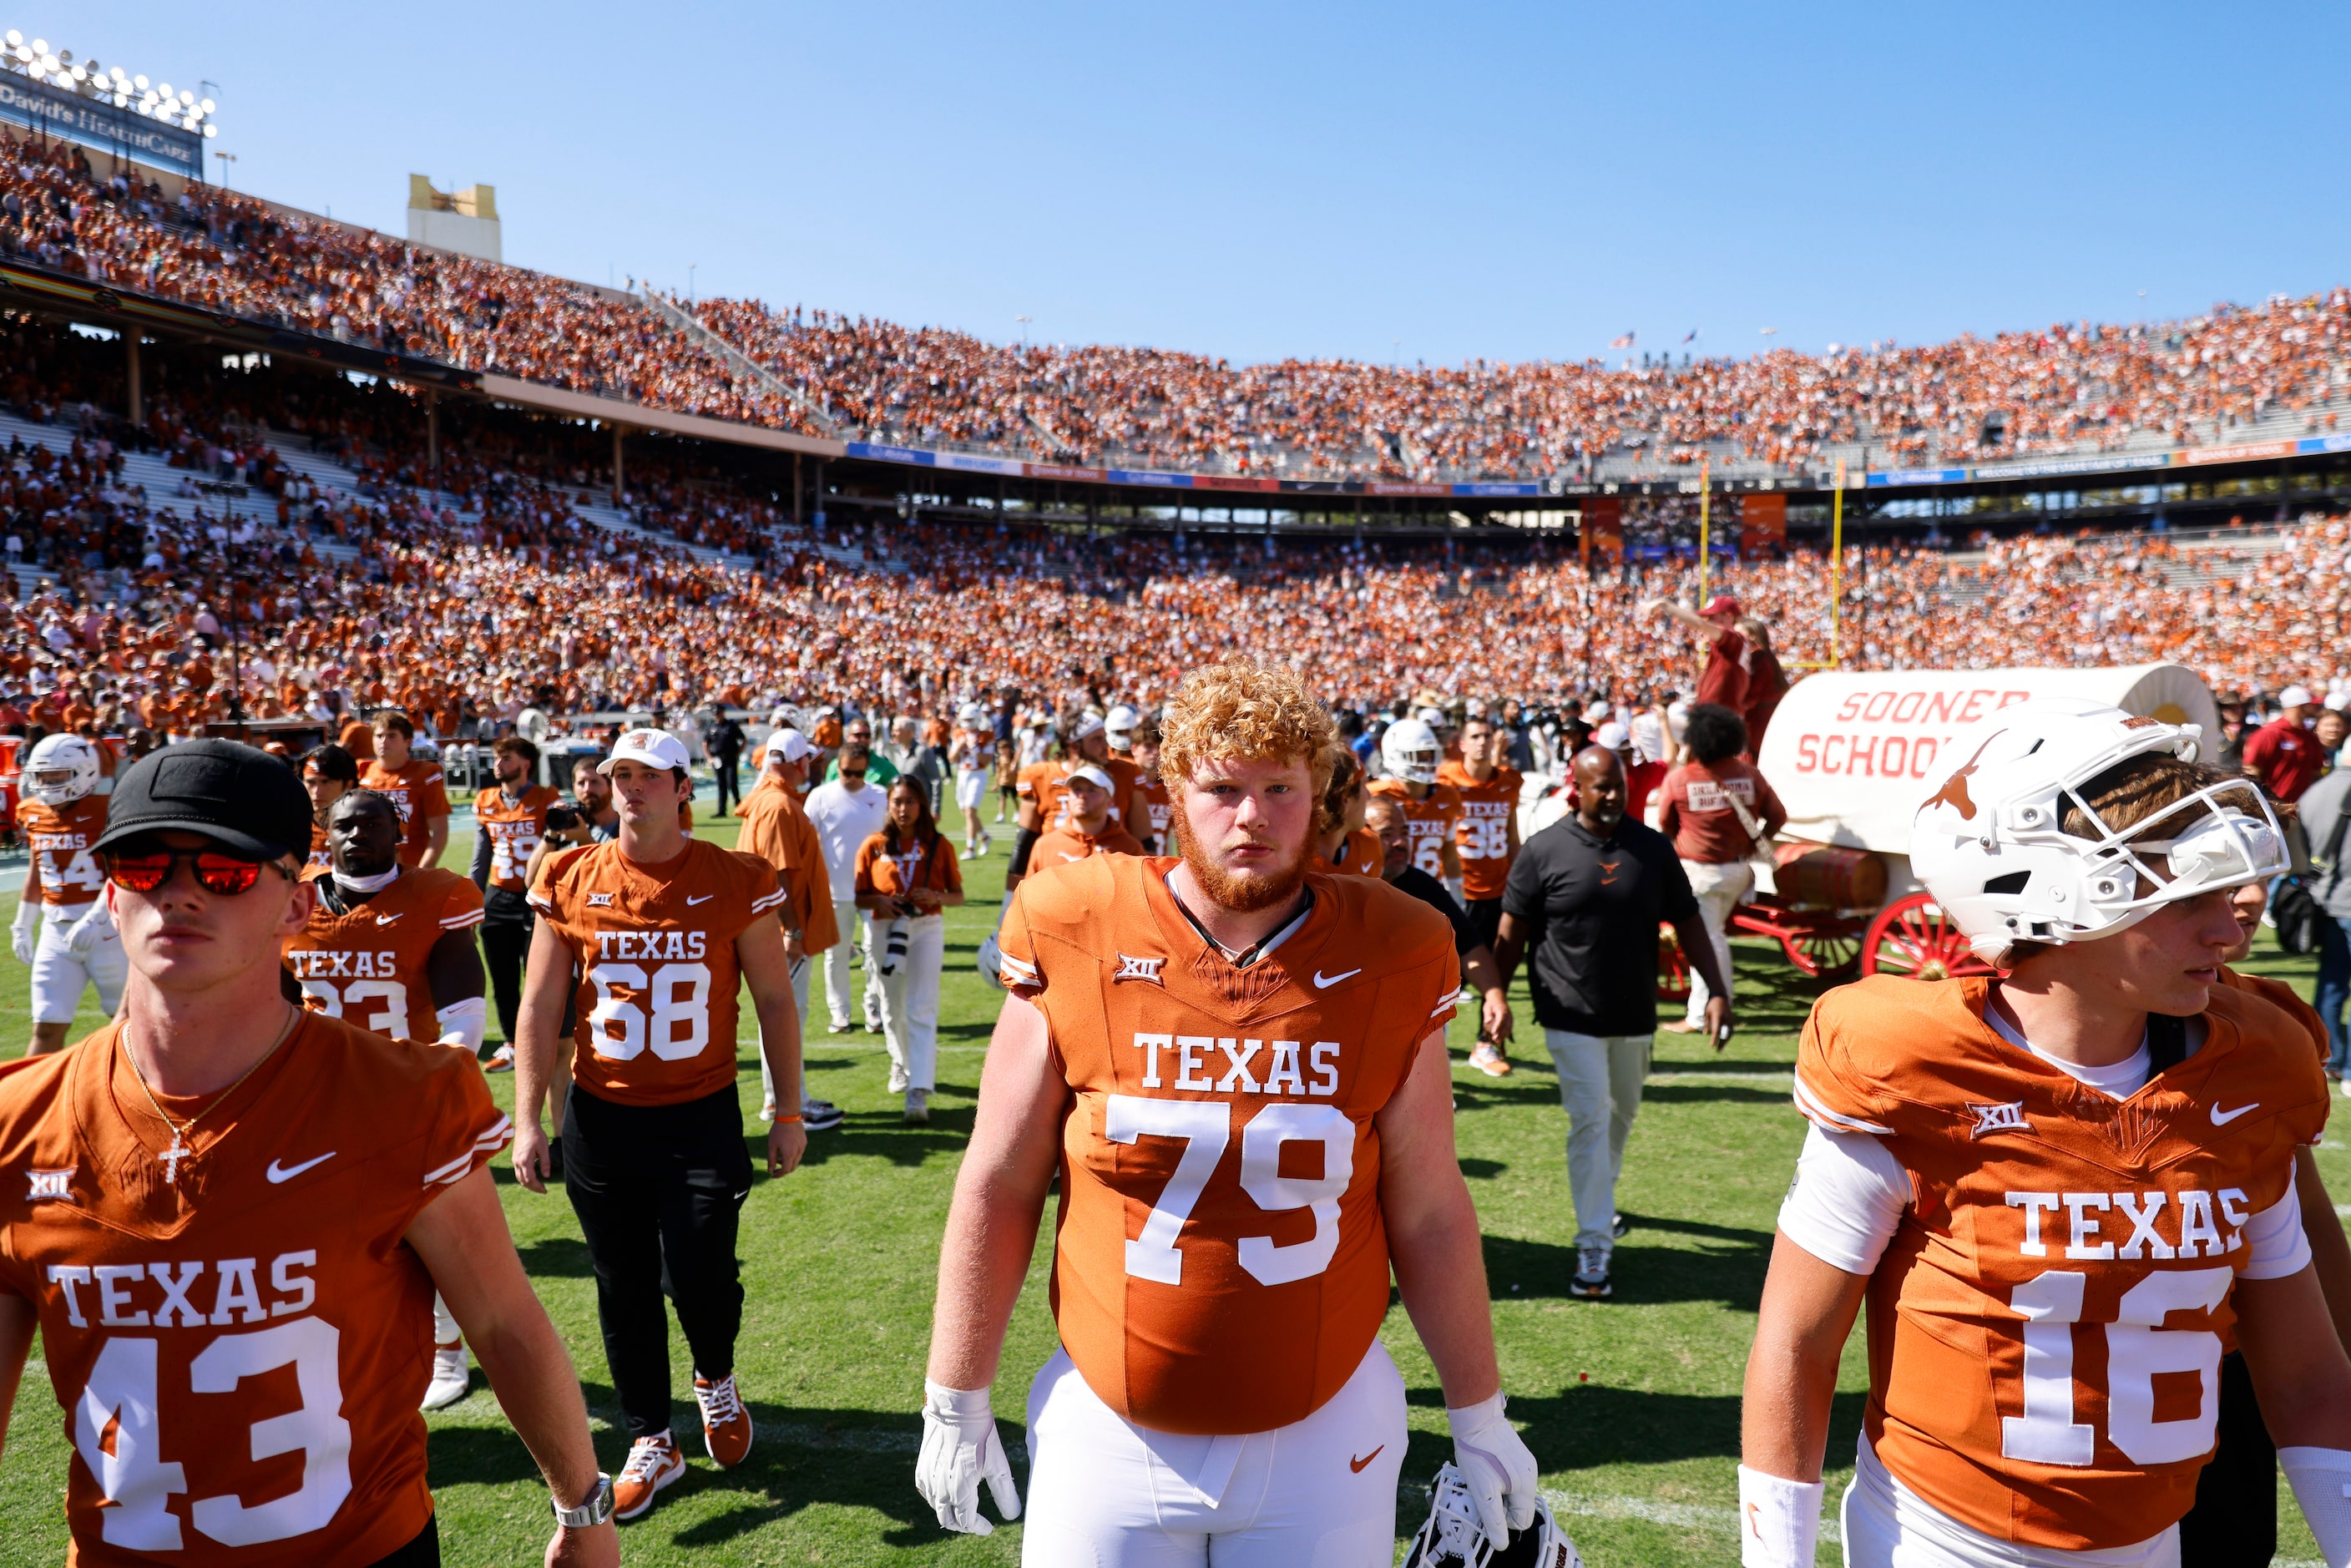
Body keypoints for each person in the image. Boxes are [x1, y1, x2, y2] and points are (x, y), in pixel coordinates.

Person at [918, 655, 1541, 1561]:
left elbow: (1428, 1201)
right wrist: (954, 1391)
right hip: (1108, 1424)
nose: (1250, 816)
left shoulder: (1398, 945)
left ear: (1320, 790)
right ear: (1172, 788)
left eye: (1279, 786)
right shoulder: (1075, 919)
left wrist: (1478, 1411)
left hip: (1328, 1431)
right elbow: (999, 1180)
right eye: (1221, 786)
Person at [1737, 698, 2351, 1568]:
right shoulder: (1913, 1068)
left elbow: (2304, 1376)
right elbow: (1795, 1346)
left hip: (2152, 1542)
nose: (2232, 920)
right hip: (1938, 1541)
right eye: (2188, 891)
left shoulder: (2250, 1070)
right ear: (2059, 889)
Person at [0, 739, 618, 1565]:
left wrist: (584, 1512)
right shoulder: (16, 1120)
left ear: (296, 905)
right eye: (145, 865)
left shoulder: (404, 1096)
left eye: (223, 870)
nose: (177, 893)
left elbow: (505, 1325)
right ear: (112, 896)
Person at [512, 726, 808, 1521]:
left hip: (701, 1113)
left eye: (648, 776)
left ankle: (714, 1376)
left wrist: (786, 1110)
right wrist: (529, 1120)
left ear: (684, 786)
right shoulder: (570, 874)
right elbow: (539, 1006)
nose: (629, 788)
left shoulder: (735, 877)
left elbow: (775, 1001)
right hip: (602, 1117)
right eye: (619, 775)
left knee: (702, 1274)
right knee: (623, 1284)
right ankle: (652, 1436)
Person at [1493, 744, 1732, 1300]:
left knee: (1620, 1115)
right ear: (1577, 786)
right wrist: (1494, 998)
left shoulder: (1651, 849)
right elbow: (1511, 932)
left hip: (1634, 1012)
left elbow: (1690, 922)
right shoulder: (1543, 850)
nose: (1612, 795)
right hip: (1566, 1010)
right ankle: (1593, 1242)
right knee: (1591, 1118)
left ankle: (1601, 1198)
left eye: (1619, 786)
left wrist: (1717, 989)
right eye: (1601, 786)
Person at [284, 788, 492, 1414]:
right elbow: (275, 1007)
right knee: (329, 1248)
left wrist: (418, 1082)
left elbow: (465, 1019)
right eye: (345, 825)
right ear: (325, 831)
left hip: (409, 1101)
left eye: (372, 824)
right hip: (320, 1104)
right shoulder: (294, 901)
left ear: (397, 832)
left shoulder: (437, 897)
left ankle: (448, 1351)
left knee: (434, 1241)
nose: (357, 836)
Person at [2175, 876, 2351, 1564]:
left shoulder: (2267, 1026)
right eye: (2216, 877)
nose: (2245, 900)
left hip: (2228, 1363)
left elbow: (2303, 1208)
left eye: (2256, 877)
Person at [736, 728, 845, 1130]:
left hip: (770, 929)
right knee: (785, 1019)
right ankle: (787, 1103)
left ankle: (785, 1099)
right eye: (808, 761)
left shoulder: (771, 800)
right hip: (779, 934)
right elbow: (776, 875)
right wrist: (793, 932)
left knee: (785, 1017)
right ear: (798, 763)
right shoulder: (779, 805)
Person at [1655, 703, 1785, 1037]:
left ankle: (1704, 1013)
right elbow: (1778, 815)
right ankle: (1712, 1004)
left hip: (1699, 874)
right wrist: (1756, 843)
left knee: (1707, 941)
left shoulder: (1680, 779)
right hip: (1739, 870)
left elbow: (1665, 824)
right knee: (1713, 937)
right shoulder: (1750, 775)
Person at [1365, 792, 1514, 1055]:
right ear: (1360, 836)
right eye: (1387, 834)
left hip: (1416, 1021)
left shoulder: (1421, 886)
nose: (1400, 843)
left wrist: (1493, 995)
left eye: (1404, 832)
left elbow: (1468, 943)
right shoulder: (1336, 885)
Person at [855, 777, 966, 1124]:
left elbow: (957, 894)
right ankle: (901, 1062)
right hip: (884, 928)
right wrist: (881, 901)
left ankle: (918, 1089)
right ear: (888, 804)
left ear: (921, 805)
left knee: (921, 1005)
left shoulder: (939, 844)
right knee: (890, 1006)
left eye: (910, 802)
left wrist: (936, 897)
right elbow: (858, 895)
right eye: (897, 801)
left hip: (925, 928)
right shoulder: (873, 845)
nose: (903, 809)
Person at [12, 733, 122, 1057]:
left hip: (106, 930)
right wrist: (22, 923)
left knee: (123, 1022)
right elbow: (38, 870)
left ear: (84, 772)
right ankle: (34, 1104)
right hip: (55, 929)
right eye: (42, 776)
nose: (47, 783)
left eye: (57, 776)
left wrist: (95, 919)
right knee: (46, 1025)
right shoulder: (31, 811)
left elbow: (119, 871)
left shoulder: (108, 809)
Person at [472, 736, 561, 1070]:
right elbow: (481, 858)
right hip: (497, 896)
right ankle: (511, 1044)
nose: (498, 765)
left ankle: (546, 1040)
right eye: (497, 758)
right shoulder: (485, 800)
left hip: (535, 897)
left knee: (538, 977)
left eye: (506, 758)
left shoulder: (546, 798)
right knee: (503, 978)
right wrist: (472, 901)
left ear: (525, 763)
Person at [805, 741, 891, 1034]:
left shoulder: (880, 796)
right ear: (836, 767)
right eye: (846, 772)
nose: (852, 778)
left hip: (874, 892)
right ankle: (839, 1011)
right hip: (833, 891)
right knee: (836, 955)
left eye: (858, 773)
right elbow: (805, 843)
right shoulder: (820, 796)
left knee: (875, 951)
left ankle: (874, 1006)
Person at [1438, 714, 1522, 954]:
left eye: (1487, 736)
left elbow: (1513, 838)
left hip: (1499, 886)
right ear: (1462, 744)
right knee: (1457, 963)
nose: (1482, 741)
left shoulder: (1509, 782)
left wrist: (1519, 883)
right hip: (1460, 886)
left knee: (1496, 958)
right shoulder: (1447, 779)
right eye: (1475, 736)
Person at [1368, 716, 1466, 902]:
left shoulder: (1447, 796)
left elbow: (1451, 857)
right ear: (1395, 756)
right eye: (1419, 755)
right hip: (1388, 894)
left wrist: (1459, 897)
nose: (1426, 761)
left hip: (1430, 893)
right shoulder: (1376, 796)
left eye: (1429, 754)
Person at [2303, 752, 2351, 1085]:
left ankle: (2327, 1057)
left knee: (2332, 983)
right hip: (2342, 899)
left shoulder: (2313, 792)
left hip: (2328, 901)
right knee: (2332, 983)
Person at [361, 710, 453, 870]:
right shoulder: (361, 772)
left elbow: (440, 830)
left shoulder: (425, 774)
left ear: (408, 741)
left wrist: (423, 870)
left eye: (391, 736)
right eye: (379, 736)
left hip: (411, 866)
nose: (384, 741)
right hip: (370, 870)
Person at [1639, 593, 1751, 717]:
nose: (1707, 621)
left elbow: (1700, 624)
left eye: (1712, 617)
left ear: (1728, 617)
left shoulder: (1735, 640)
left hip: (1721, 718)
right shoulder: (1727, 647)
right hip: (1718, 715)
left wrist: (1665, 604)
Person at [1026, 764, 1145, 866]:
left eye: (1092, 790)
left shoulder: (1130, 849)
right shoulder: (1046, 846)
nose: (1082, 795)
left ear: (1110, 801)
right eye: (1077, 789)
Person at [2245, 683, 2325, 806]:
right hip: (2273, 809)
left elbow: (2316, 773)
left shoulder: (2309, 737)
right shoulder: (2270, 734)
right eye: (2311, 705)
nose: (2316, 708)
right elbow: (2252, 770)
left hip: (2300, 809)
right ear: (2299, 707)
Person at [1312, 750, 1382, 877]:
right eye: (1364, 786)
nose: (1369, 796)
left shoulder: (1368, 845)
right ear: (1345, 798)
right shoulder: (1293, 861)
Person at [301, 741, 361, 873]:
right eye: (310, 782)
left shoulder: (367, 830)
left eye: (326, 782)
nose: (317, 791)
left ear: (348, 785)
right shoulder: (290, 828)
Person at [948, 702, 997, 860]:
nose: (967, 723)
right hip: (962, 774)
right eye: (965, 719)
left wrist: (975, 749)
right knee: (966, 812)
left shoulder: (986, 735)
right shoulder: (958, 734)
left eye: (970, 719)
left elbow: (987, 760)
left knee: (970, 811)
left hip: (978, 774)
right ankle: (984, 836)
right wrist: (959, 746)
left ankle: (970, 848)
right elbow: (952, 759)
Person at [1737, 616, 1788, 756]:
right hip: (1763, 715)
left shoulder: (1759, 659)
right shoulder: (1764, 657)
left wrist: (1736, 709)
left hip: (1758, 718)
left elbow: (1753, 695)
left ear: (1752, 636)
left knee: (1752, 760)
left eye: (1740, 633)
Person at [1130, 714, 1175, 855]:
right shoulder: (1125, 785)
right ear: (1134, 749)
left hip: (1158, 868)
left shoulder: (1170, 789)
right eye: (1148, 746)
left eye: (1159, 747)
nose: (1155, 752)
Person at [705, 709, 746, 819]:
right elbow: (706, 742)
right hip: (717, 759)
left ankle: (739, 807)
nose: (717, 716)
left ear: (723, 713)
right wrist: (709, 758)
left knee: (732, 783)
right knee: (721, 785)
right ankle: (721, 810)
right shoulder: (712, 727)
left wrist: (738, 753)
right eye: (715, 714)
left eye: (718, 713)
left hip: (730, 758)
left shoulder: (731, 725)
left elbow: (743, 739)